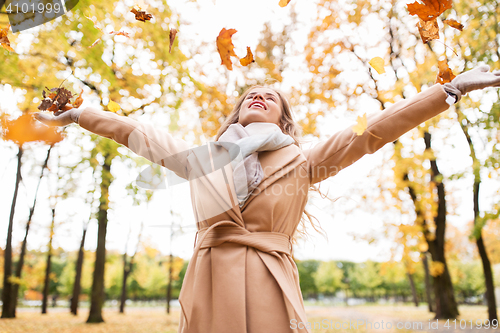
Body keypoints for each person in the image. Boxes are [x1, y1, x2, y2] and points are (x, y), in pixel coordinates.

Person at [35, 65, 500, 333]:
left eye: (270, 97)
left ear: (284, 118)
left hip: (268, 279)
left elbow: (373, 131)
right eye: (250, 95)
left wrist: (450, 89)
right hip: (210, 278)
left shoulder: (307, 161)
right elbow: (137, 131)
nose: (258, 96)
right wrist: (80, 114)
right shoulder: (201, 159)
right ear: (237, 111)